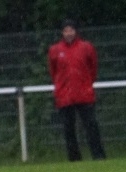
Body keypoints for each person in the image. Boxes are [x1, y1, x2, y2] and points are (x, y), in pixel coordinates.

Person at [47, 19, 106, 162]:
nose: (69, 33)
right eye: (66, 31)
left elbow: (93, 68)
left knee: (91, 126)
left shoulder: (86, 47)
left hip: (84, 94)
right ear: (62, 33)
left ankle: (98, 156)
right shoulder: (55, 50)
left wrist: (86, 84)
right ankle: (74, 158)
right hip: (65, 96)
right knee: (68, 129)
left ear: (76, 31)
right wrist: (61, 87)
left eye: (71, 30)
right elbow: (53, 71)